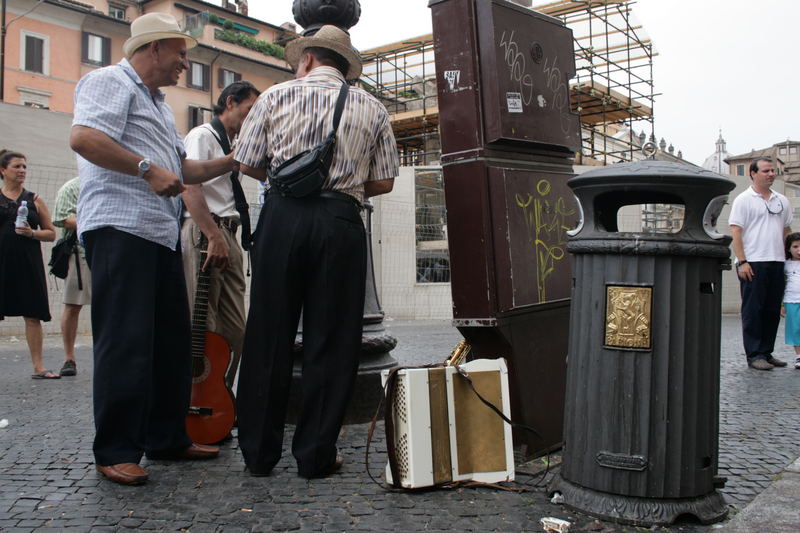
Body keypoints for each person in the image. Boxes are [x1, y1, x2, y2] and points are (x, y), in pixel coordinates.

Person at [69, 12, 236, 485]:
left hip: (158, 232)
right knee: (126, 342)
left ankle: (166, 436)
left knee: (171, 343)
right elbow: (83, 138)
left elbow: (182, 170)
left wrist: (233, 161)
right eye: (181, 52)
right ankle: (117, 449)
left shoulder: (161, 105)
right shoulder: (110, 81)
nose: (186, 62)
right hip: (120, 227)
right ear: (153, 48)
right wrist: (146, 168)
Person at [234, 25, 400, 478]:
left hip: (283, 216)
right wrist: (340, 184)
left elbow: (246, 161)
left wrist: (293, 178)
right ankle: (315, 455)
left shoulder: (273, 97)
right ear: (345, 66)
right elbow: (384, 180)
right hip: (340, 222)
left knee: (269, 332)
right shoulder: (371, 106)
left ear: (307, 58)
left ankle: (258, 453)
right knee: (332, 339)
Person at [181, 81, 260, 393]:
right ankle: (193, 401)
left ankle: (220, 398)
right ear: (231, 102)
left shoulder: (233, 141)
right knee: (203, 326)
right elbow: (190, 186)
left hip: (228, 232)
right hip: (207, 231)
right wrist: (212, 235)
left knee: (235, 329)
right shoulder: (202, 135)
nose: (252, 117)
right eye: (249, 109)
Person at [730, 158, 793, 370]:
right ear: (753, 173)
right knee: (753, 310)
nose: (771, 174)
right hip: (753, 261)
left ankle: (766, 352)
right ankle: (755, 354)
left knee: (772, 310)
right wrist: (743, 261)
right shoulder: (743, 199)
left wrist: (790, 258)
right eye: (766, 171)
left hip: (777, 261)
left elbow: (787, 231)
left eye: (773, 171)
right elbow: (736, 232)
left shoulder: (781, 200)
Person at [0, 150, 57, 379]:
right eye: (16, 166)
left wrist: (32, 233)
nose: (22, 170)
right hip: (2, 262)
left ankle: (38, 367)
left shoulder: (34, 199)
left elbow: (51, 234)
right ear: (3, 170)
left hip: (28, 262)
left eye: (24, 166)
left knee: (33, 314)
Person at [52, 176, 90, 377]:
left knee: (111, 305)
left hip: (109, 252)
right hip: (79, 253)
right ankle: (69, 358)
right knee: (73, 305)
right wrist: (93, 221)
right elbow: (61, 218)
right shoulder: (72, 187)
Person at [781, 232, 800, 369]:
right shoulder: (785, 265)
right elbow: (781, 285)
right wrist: (781, 304)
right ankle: (799, 356)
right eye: (795, 246)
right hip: (792, 300)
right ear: (789, 249)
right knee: (796, 329)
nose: (799, 250)